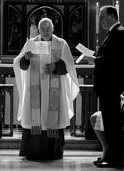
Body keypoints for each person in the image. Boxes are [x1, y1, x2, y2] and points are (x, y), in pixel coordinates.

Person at [13, 17, 79, 160]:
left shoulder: (61, 44)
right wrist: (26, 57)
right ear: (38, 29)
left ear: (53, 28)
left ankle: (52, 151)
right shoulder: (31, 43)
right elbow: (20, 64)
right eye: (43, 29)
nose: (46, 31)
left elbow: (69, 67)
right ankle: (33, 151)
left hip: (54, 90)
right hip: (34, 90)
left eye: (48, 28)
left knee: (52, 117)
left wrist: (56, 67)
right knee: (35, 117)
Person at [85, 5, 124, 167]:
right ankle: (109, 156)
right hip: (108, 87)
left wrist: (95, 60)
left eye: (102, 17)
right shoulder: (114, 33)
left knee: (113, 124)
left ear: (112, 15)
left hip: (111, 86)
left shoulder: (119, 34)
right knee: (109, 123)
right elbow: (109, 56)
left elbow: (114, 60)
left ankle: (114, 159)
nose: (100, 20)